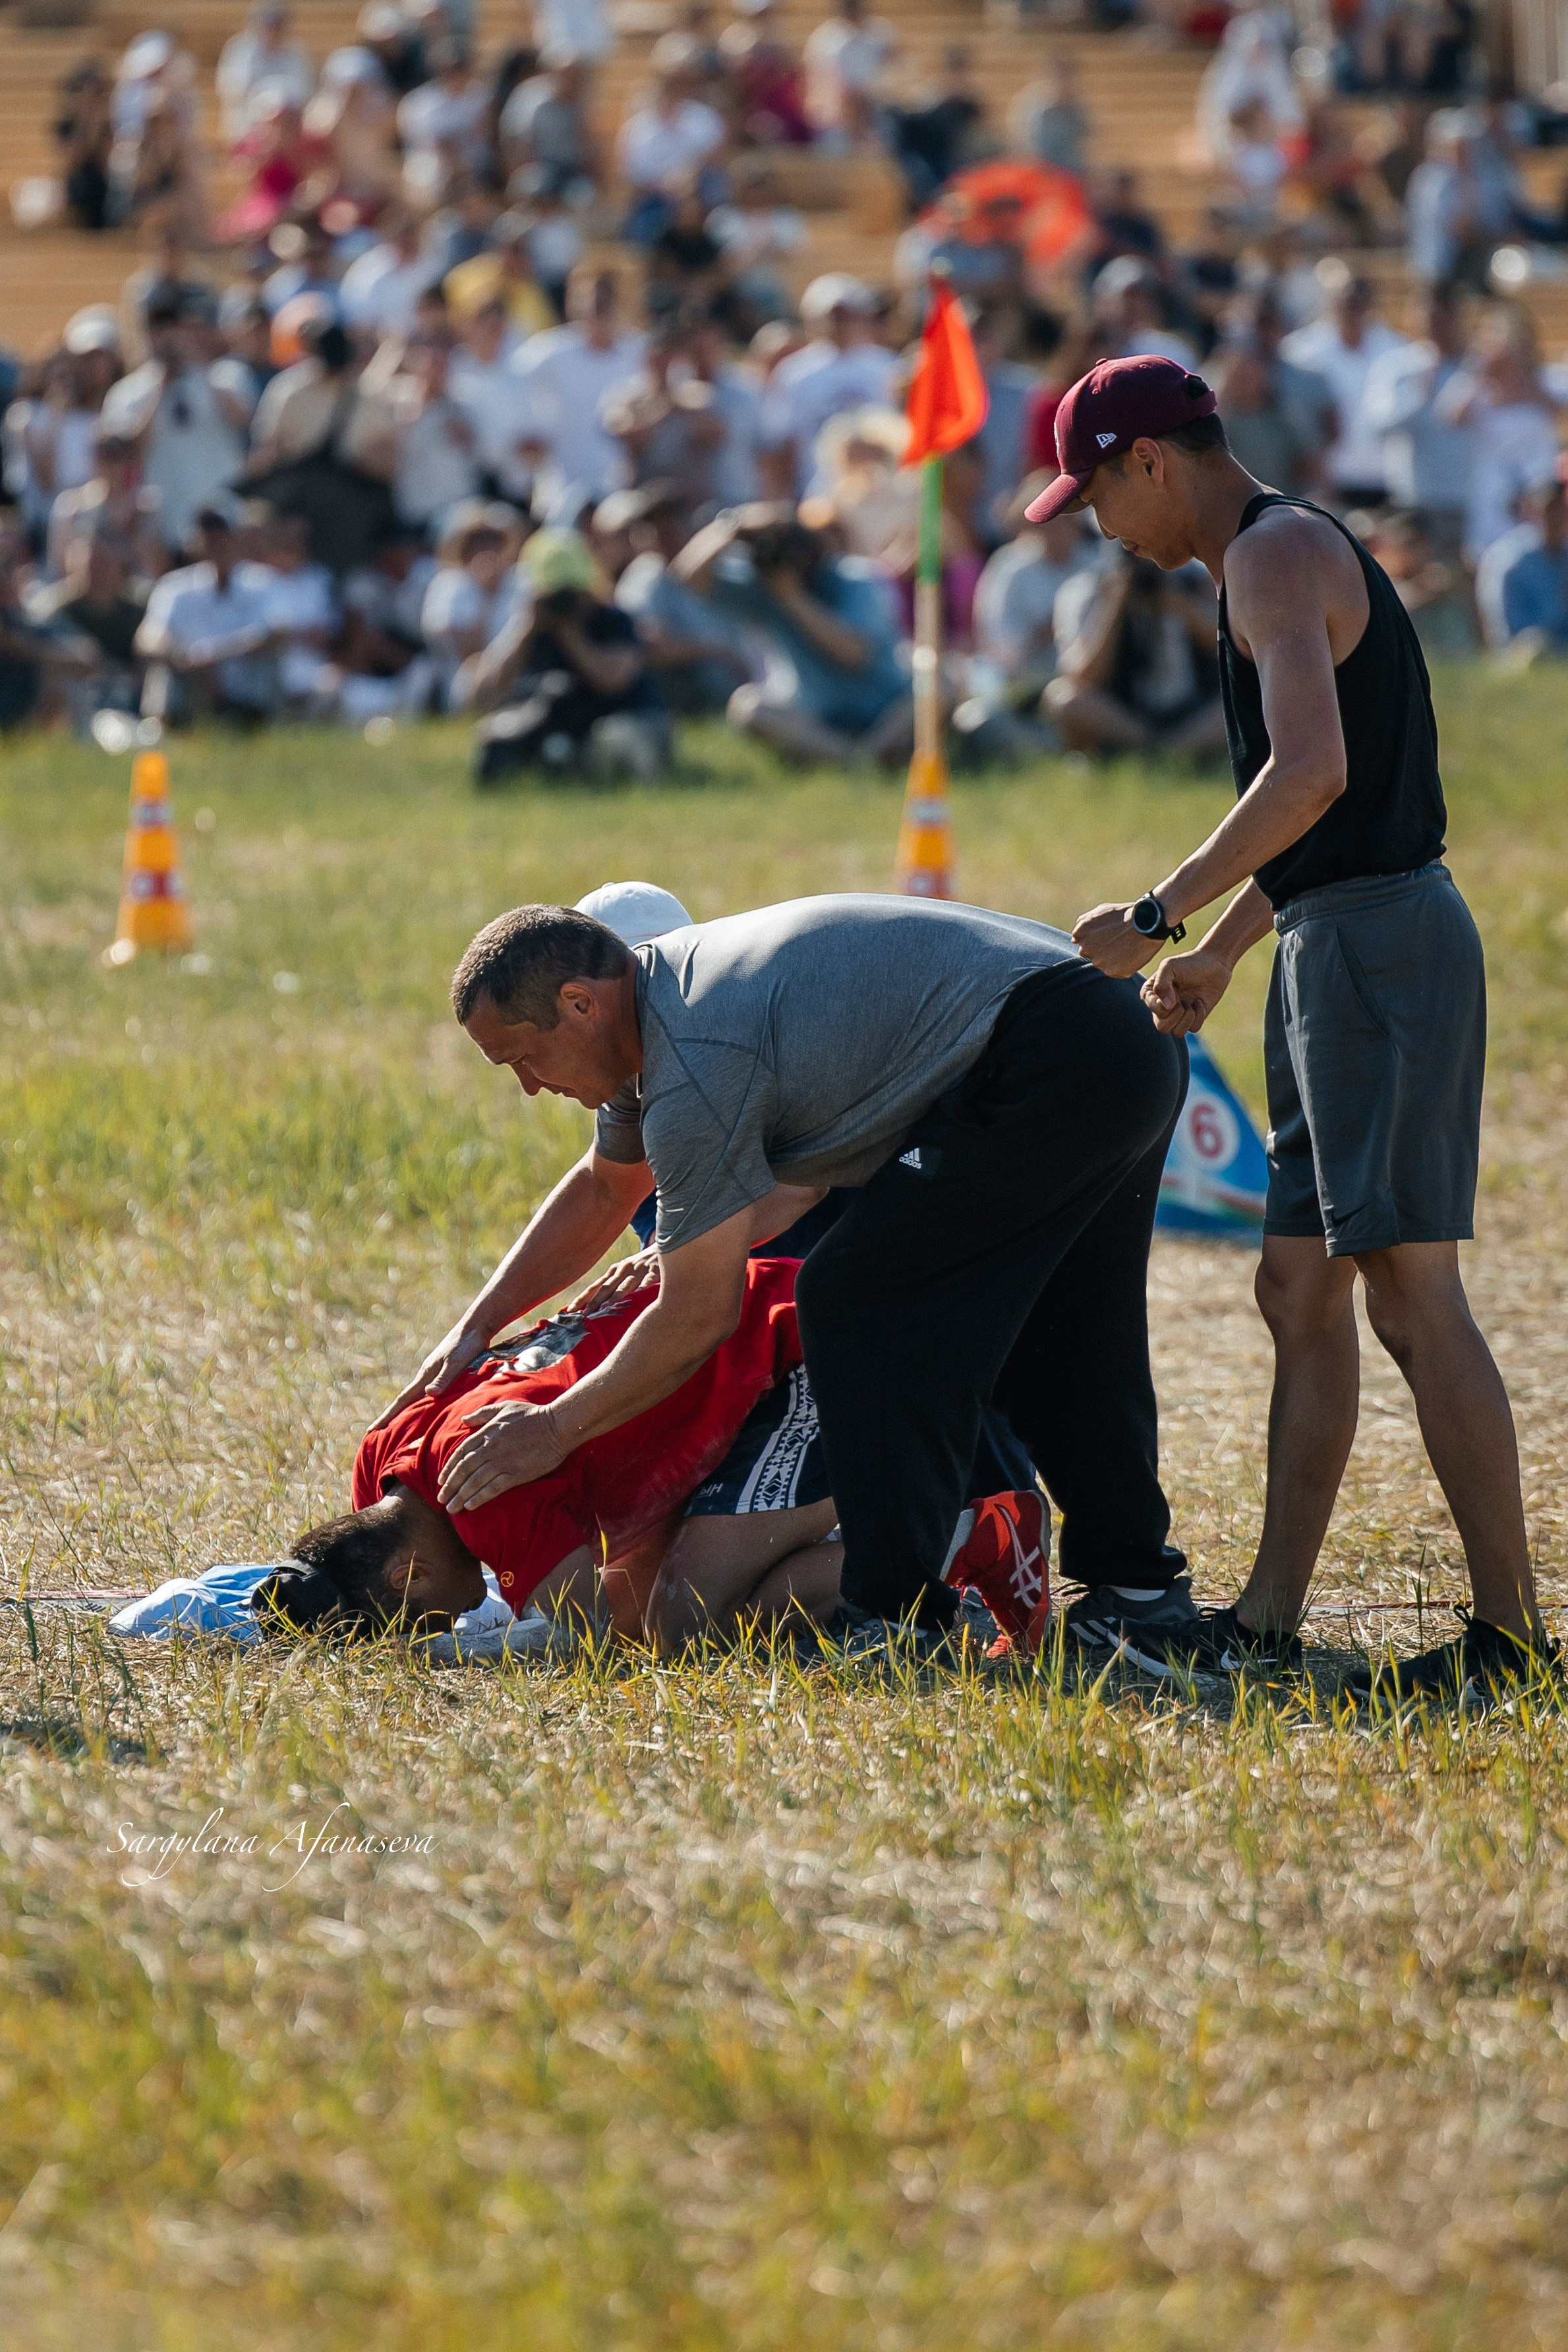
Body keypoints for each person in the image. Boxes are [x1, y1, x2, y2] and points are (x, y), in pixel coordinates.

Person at [1039, 351, 1554, 1703]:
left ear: (1150, 459)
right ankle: (1264, 1618)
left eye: (1092, 494)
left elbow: (1312, 773)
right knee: (1295, 1285)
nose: (1095, 524)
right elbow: (1332, 797)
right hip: (1336, 936)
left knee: (1406, 1285)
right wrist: (1216, 950)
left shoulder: (1268, 557)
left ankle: (1509, 1641)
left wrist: (1157, 910)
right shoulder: (1260, 561)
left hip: (1380, 943)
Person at [374, 892, 1190, 1668]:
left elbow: (699, 1314)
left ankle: (900, 1614)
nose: (527, 1086)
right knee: (1069, 1327)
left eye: (523, 1055)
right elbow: (604, 1187)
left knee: (854, 1297)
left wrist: (550, 1431)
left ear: (581, 1004)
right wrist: (475, 1327)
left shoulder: (691, 1057)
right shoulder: (655, 1006)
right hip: (1119, 1033)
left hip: (1058, 1042)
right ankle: (1138, 1594)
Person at [673, 502, 911, 765]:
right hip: (816, 718)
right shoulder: (763, 583)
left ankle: (868, 755)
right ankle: (852, 760)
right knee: (748, 706)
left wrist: (791, 596)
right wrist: (733, 526)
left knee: (938, 686)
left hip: (884, 708)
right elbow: (688, 577)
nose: (788, 558)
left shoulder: (855, 577)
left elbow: (853, 654)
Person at [462, 527, 669, 783]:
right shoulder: (530, 628)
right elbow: (483, 694)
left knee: (616, 737)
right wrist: (527, 631)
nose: (565, 602)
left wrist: (571, 636)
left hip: (623, 719)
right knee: (502, 731)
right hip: (559, 720)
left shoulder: (615, 621)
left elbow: (612, 681)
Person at [1046, 545, 1225, 757]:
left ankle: (1171, 751)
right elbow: (1082, 677)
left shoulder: (1195, 581)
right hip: (1127, 712)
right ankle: (1164, 750)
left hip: (1194, 708)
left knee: (1250, 694)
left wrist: (1180, 605)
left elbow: (1233, 649)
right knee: (1064, 699)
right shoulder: (1090, 588)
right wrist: (1114, 607)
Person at [134, 504, 279, 726]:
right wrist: (183, 657)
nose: (215, 543)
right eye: (208, 535)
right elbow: (147, 639)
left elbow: (277, 635)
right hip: (191, 683)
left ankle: (259, 721)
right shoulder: (174, 587)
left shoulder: (262, 583)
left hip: (242, 688)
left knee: (268, 664)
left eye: (222, 535)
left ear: (237, 539)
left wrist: (217, 655)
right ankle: (166, 725)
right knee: (164, 672)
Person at [1279, 267, 1407, 510]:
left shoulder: (1397, 349)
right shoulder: (1301, 350)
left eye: (1361, 302)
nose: (1354, 309)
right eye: (1348, 301)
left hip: (1385, 478)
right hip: (1323, 479)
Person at [1475, 473, 1568, 659]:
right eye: (1552, 509)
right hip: (1523, 651)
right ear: (1536, 511)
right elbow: (1503, 629)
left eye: (1563, 509)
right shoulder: (1511, 558)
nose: (1559, 516)